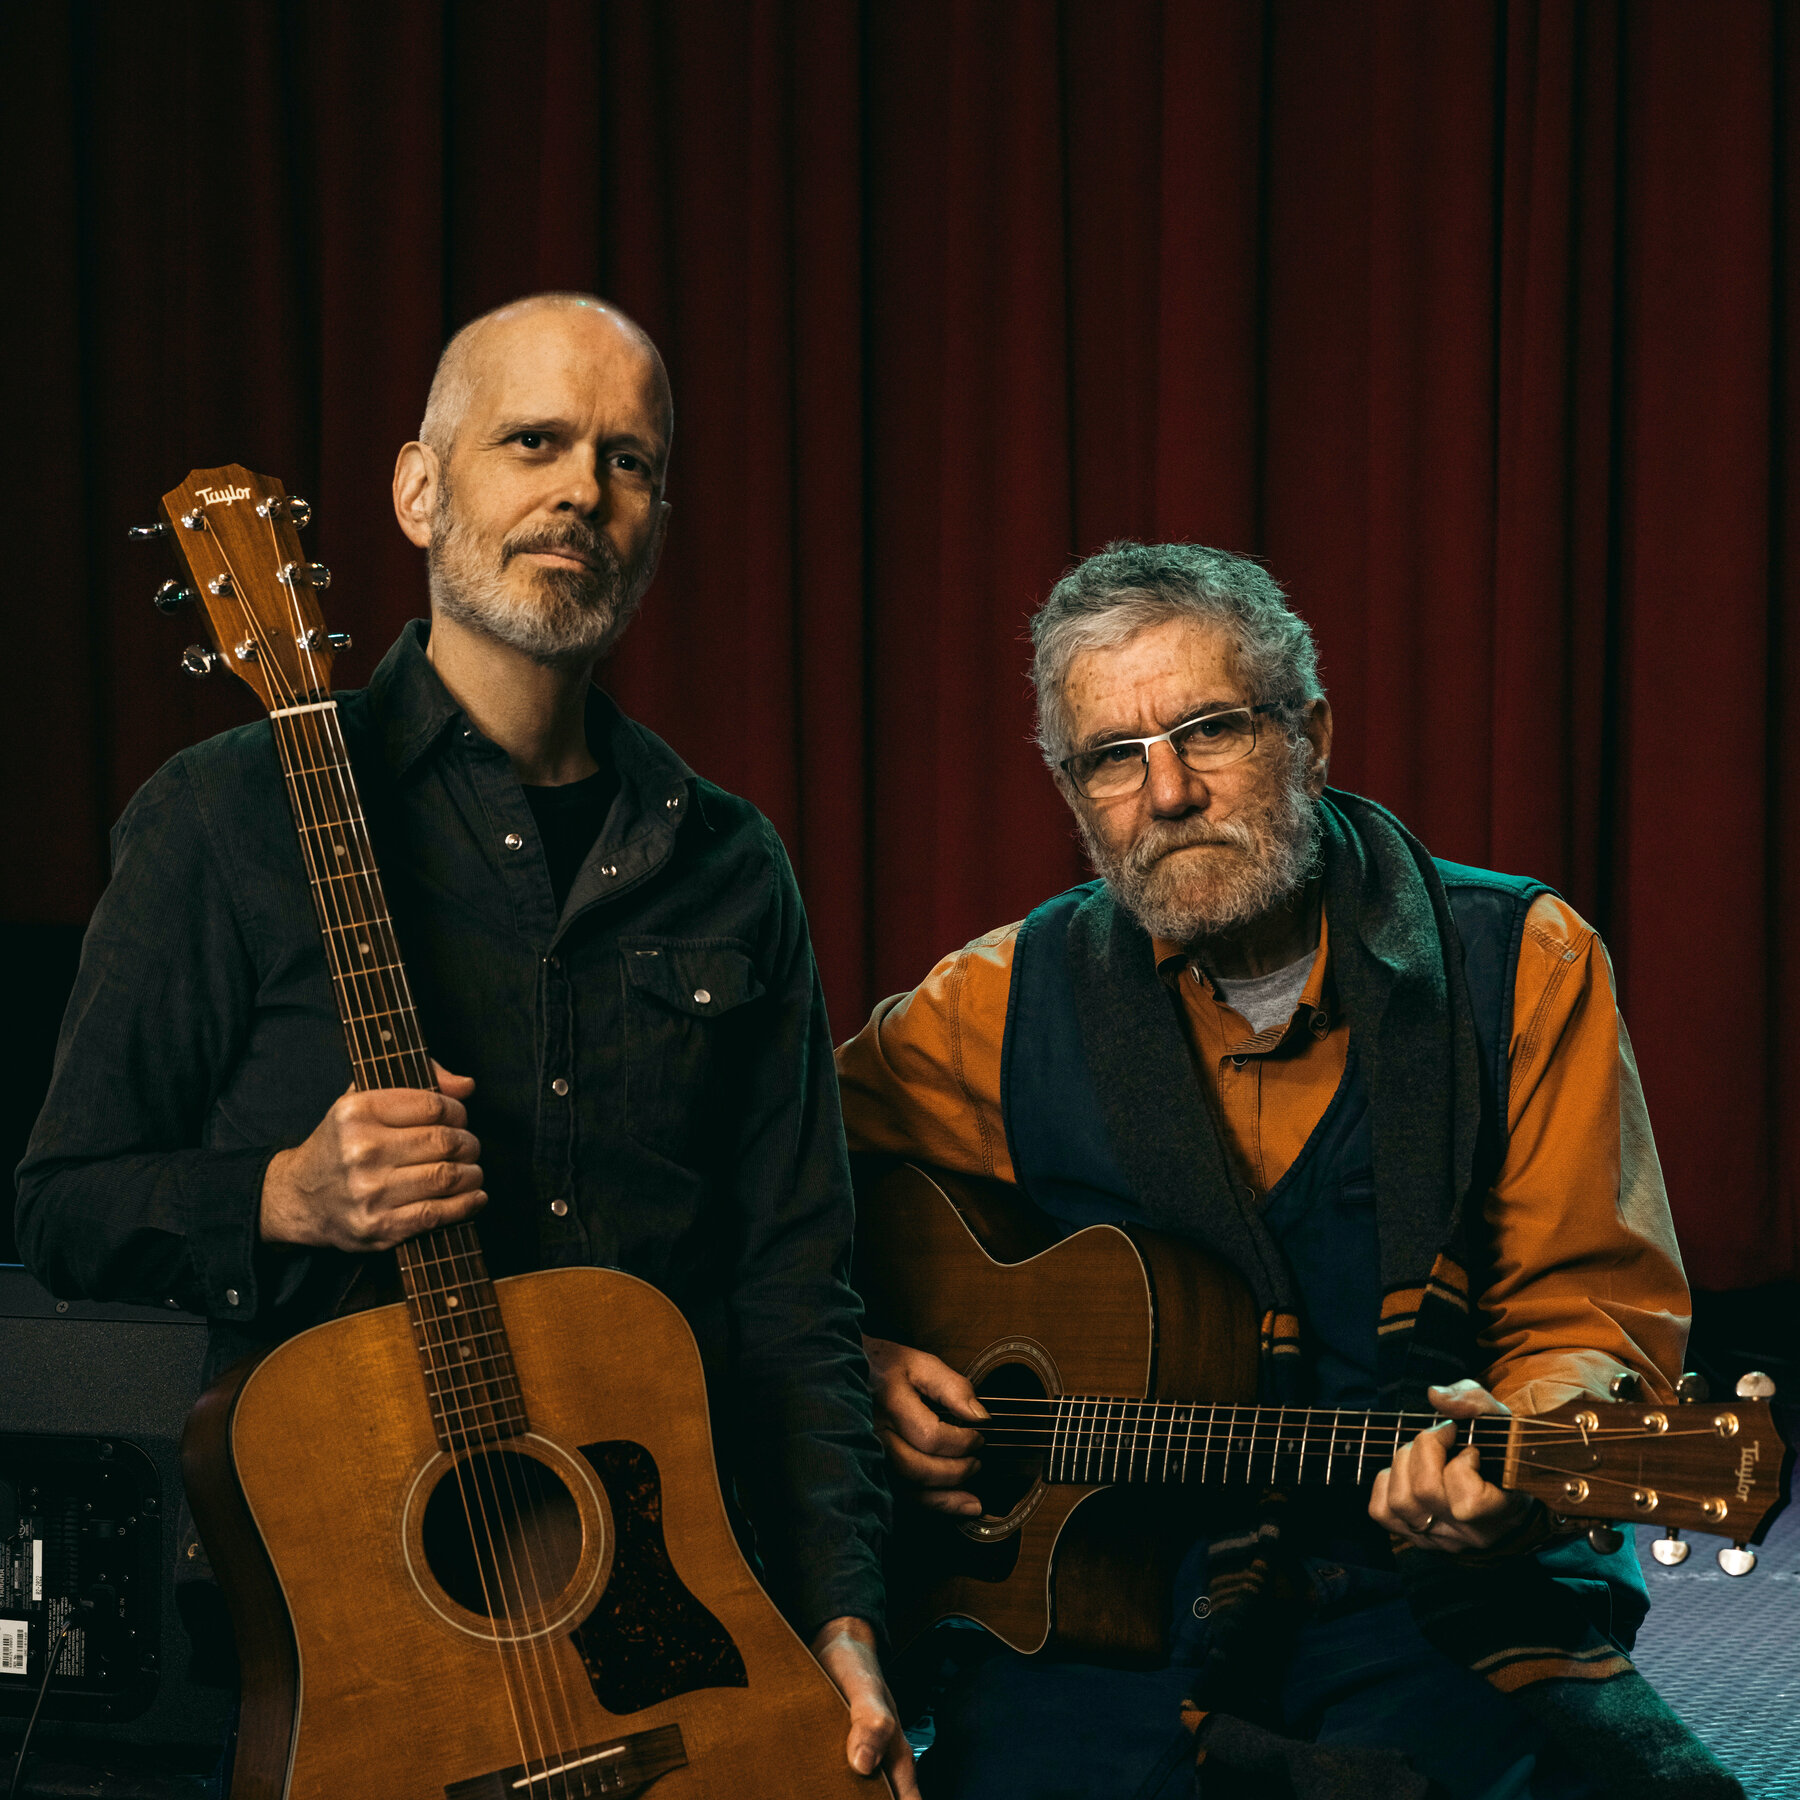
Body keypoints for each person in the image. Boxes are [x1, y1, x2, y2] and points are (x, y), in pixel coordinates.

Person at [16, 292, 918, 1796]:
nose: (583, 492)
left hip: (674, 1639)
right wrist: (284, 1196)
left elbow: (793, 1293)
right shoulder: (224, 817)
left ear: (659, 520)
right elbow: (63, 1205)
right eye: (534, 442)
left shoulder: (727, 864)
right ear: (419, 490)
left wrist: (845, 1621)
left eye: (628, 461)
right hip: (348, 1640)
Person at [836, 542, 1738, 1798]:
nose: (1167, 793)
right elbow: (775, 1197)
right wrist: (865, 1361)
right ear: (1073, 792)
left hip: (1417, 1584)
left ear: (1309, 736)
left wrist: (1511, 1467)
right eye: (1113, 756)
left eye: (1209, 730)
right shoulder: (1002, 1002)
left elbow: (1586, 1318)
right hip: (1114, 1591)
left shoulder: (1518, 965)